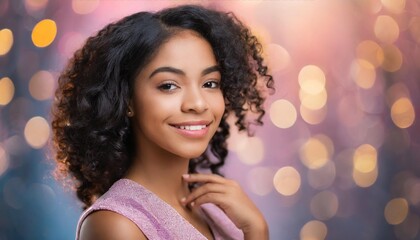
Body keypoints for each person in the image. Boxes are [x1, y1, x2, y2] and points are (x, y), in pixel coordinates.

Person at [51, 4, 274, 240]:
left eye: (210, 83)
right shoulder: (117, 225)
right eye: (168, 85)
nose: (198, 104)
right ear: (126, 100)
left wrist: (256, 230)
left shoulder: (218, 210)